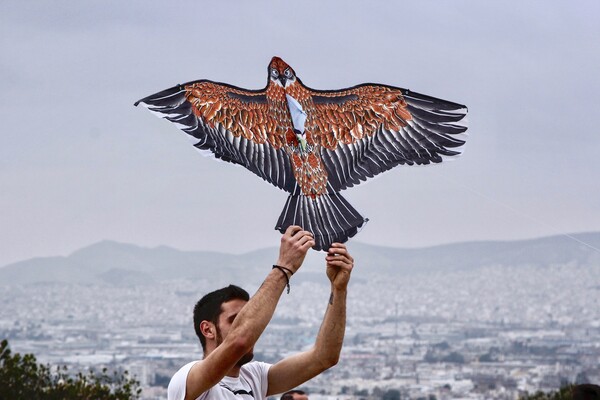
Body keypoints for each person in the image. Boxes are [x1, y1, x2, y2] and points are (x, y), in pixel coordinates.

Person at [168, 225, 354, 400]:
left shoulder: (255, 377)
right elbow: (240, 340)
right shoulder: (187, 381)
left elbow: (324, 357)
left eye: (247, 318)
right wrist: (284, 267)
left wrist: (339, 290)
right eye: (235, 320)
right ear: (208, 330)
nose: (250, 327)